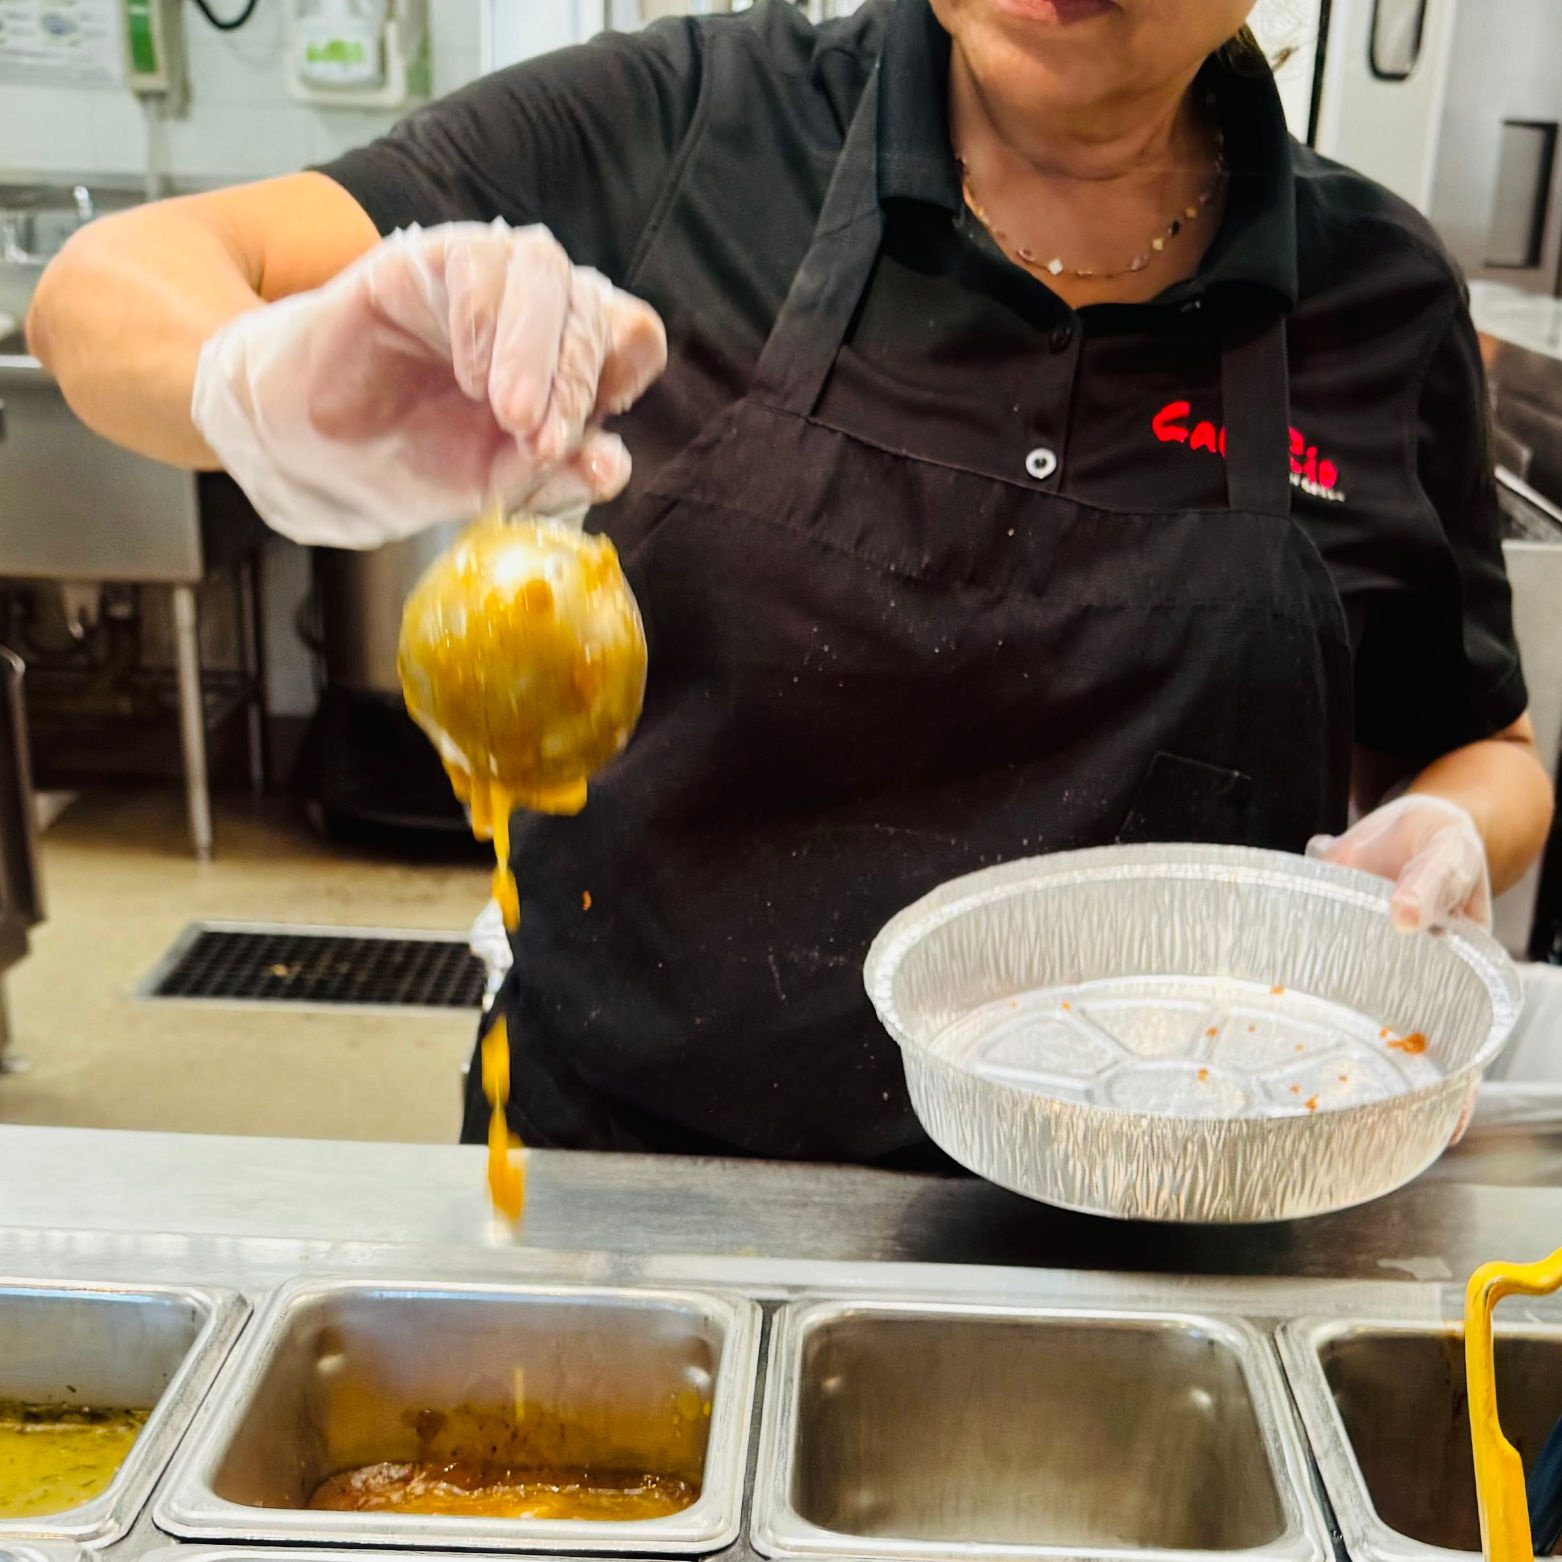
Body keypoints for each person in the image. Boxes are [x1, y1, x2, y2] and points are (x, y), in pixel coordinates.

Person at [28, 0, 1553, 1166]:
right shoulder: (694, 122)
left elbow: (1480, 749)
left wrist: (1442, 834)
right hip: (627, 1193)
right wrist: (262, 379)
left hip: (1154, 1227)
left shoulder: (1377, 290)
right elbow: (109, 288)